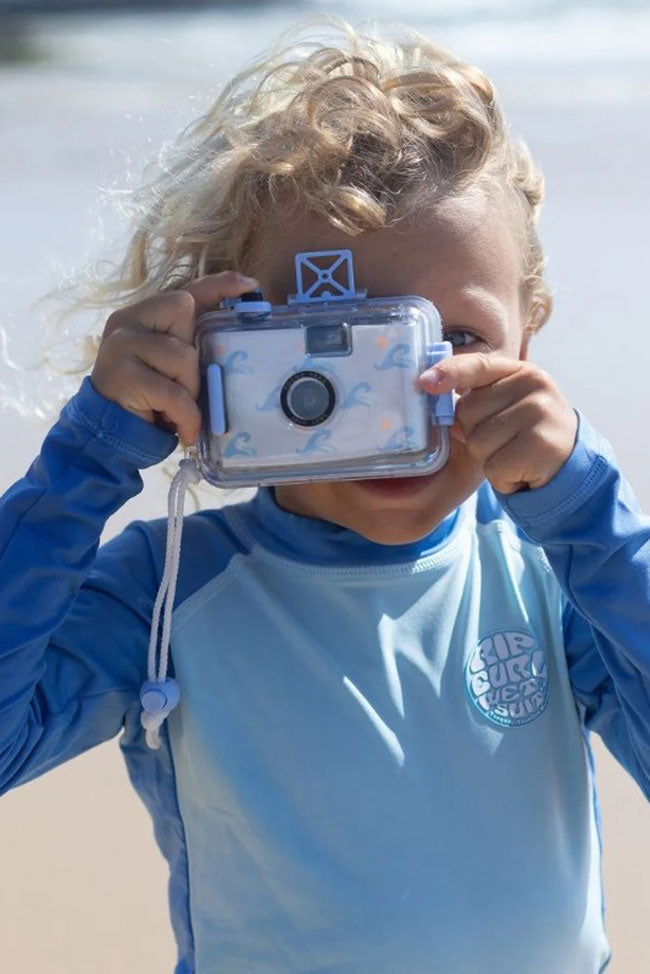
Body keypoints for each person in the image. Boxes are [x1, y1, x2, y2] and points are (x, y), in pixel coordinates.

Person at [0, 17, 647, 974]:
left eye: (454, 342)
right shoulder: (169, 593)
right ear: (221, 349)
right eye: (333, 346)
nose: (402, 402)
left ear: (528, 335)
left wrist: (587, 507)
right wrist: (88, 458)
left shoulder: (552, 572)